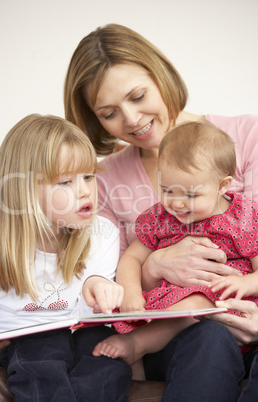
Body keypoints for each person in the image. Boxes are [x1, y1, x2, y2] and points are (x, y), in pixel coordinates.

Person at [63, 24, 258, 400]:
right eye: (109, 113)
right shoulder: (101, 179)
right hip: (180, 333)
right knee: (209, 339)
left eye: (138, 96)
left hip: (246, 309)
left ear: (161, 75)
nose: (132, 119)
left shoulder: (246, 136)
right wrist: (153, 267)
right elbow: (103, 277)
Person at [91, 121, 258, 380]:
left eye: (190, 195)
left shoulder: (244, 217)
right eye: (167, 190)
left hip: (222, 305)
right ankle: (136, 368)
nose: (176, 203)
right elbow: (131, 258)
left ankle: (138, 344)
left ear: (222, 186)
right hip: (164, 308)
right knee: (123, 323)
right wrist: (132, 295)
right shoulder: (160, 218)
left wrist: (246, 283)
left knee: (198, 303)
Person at [0, 114, 131, 401]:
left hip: (81, 334)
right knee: (44, 349)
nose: (84, 191)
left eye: (89, 176)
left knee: (105, 359)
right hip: (21, 340)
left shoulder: (102, 232)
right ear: (24, 192)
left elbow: (95, 298)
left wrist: (103, 288)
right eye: (65, 182)